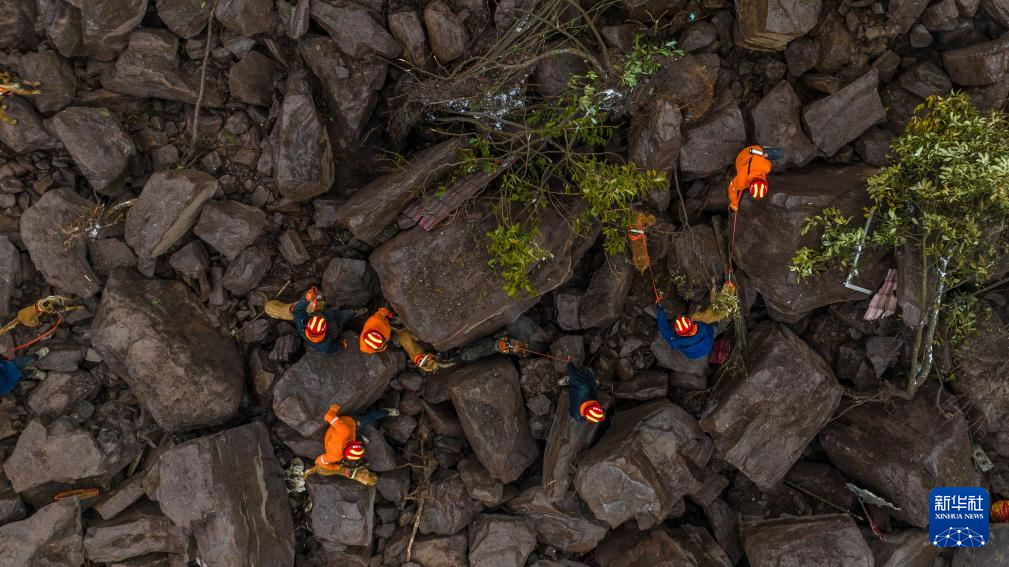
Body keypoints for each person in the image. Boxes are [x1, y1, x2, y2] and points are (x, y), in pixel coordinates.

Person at [312, 403, 399, 485]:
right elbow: (318, 461)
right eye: (364, 476)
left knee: (368, 418)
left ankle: (386, 411)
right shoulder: (335, 456)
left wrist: (332, 411)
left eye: (362, 478)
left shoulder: (345, 432)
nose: (362, 475)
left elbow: (328, 416)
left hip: (346, 426)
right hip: (335, 437)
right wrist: (333, 467)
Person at [292, 287, 355, 353]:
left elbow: (297, 312)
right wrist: (342, 346)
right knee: (343, 316)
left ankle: (323, 300)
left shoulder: (301, 326)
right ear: (324, 332)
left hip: (325, 314)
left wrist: (306, 299)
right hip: (335, 325)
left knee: (324, 304)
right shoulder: (324, 345)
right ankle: (353, 313)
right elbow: (333, 348)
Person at [727, 146, 783, 211]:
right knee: (776, 154)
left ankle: (765, 150)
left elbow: (762, 158)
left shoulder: (766, 168)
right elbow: (732, 188)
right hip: (742, 156)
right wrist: (734, 204)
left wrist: (763, 155)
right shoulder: (741, 181)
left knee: (780, 154)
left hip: (756, 152)